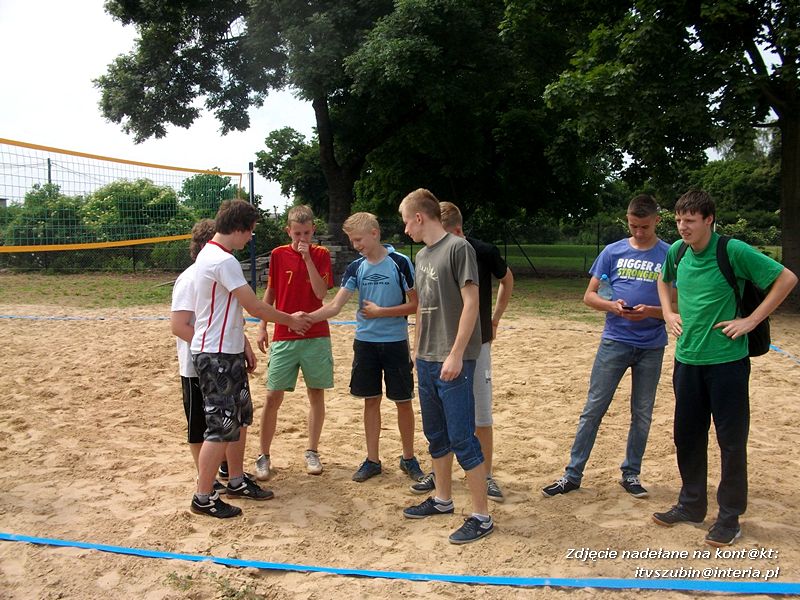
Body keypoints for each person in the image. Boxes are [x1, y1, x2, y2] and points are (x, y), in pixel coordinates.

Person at [654, 190, 797, 547]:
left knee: (730, 442)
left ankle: (730, 518)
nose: (683, 227)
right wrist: (669, 312)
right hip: (687, 360)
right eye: (678, 220)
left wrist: (750, 320)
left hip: (727, 364)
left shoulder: (731, 250)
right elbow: (663, 279)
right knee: (686, 436)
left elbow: (786, 279)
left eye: (690, 220)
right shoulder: (677, 251)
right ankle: (691, 505)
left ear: (708, 220)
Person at [190, 199, 312, 518]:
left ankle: (235, 480)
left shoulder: (214, 255)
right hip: (215, 353)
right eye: (250, 232)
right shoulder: (222, 260)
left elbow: (232, 310)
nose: (250, 239)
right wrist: (291, 320)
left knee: (240, 417)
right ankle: (203, 497)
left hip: (225, 349)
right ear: (240, 228)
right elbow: (254, 306)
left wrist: (241, 341)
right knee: (221, 425)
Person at [542, 194, 669, 499]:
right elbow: (589, 296)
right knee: (593, 409)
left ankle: (631, 474)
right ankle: (572, 475)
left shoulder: (671, 254)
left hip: (652, 345)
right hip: (615, 341)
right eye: (633, 226)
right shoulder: (613, 252)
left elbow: (678, 305)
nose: (638, 232)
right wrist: (612, 306)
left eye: (644, 227)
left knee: (642, 413)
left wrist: (649, 312)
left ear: (657, 221)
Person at [399, 188, 493, 545]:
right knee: (436, 434)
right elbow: (424, 307)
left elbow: (471, 304)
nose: (405, 228)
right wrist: (417, 349)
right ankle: (442, 499)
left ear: (420, 217)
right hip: (426, 358)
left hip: (454, 359)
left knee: (462, 437)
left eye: (406, 220)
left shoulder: (458, 248)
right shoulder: (422, 256)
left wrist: (455, 353)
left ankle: (482, 516)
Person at [308, 212, 425, 483]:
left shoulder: (400, 262)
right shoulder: (356, 267)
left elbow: (417, 305)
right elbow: (336, 305)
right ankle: (372, 460)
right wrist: (307, 317)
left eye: (358, 239)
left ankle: (408, 458)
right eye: (352, 241)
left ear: (375, 233)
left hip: (395, 342)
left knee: (403, 401)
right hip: (366, 344)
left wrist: (382, 312)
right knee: (370, 401)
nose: (355, 245)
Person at [409, 201, 513, 502]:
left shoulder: (476, 250)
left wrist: (494, 318)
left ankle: (486, 475)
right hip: (438, 346)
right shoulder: (429, 254)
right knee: (441, 422)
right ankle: (442, 482)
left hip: (472, 345)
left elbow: (507, 280)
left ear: (454, 229)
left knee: (478, 412)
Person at [255, 204, 334, 479]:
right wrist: (263, 325)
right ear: (288, 230)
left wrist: (308, 259)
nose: (302, 239)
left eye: (307, 233)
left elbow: (321, 292)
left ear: (313, 230)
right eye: (297, 233)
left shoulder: (321, 255)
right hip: (284, 335)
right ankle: (263, 455)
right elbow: (271, 292)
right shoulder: (277, 254)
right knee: (272, 396)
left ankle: (312, 451)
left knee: (316, 394)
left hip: (316, 335)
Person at [171, 219, 236, 496]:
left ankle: (225, 471)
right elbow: (179, 326)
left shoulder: (216, 275)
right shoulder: (189, 278)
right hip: (196, 365)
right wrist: (209, 349)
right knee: (199, 427)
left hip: (216, 360)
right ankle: (205, 482)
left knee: (224, 421)